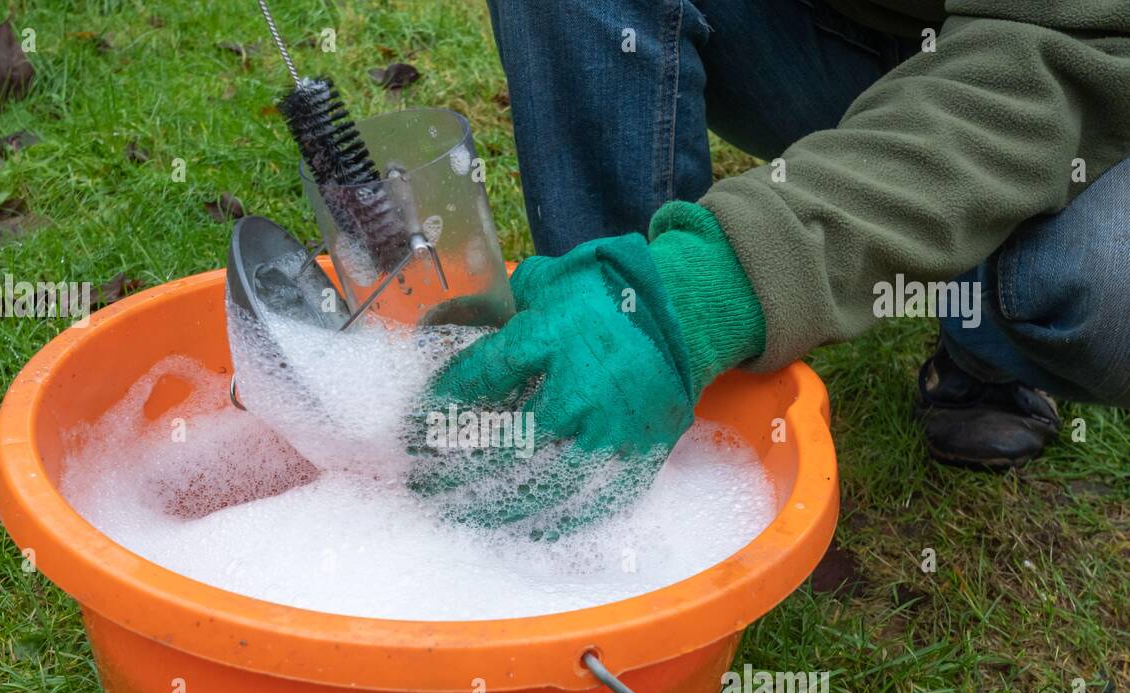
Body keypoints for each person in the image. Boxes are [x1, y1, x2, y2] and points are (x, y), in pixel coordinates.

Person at [409, 0, 1130, 529]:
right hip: (847, 30)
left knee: (1096, 282)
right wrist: (643, 297)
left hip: (1082, 68)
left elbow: (1080, 41)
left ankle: (984, 342)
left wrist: (705, 288)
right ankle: (614, 385)